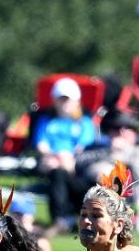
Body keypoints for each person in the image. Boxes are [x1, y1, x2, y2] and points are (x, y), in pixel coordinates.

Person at [34, 77, 96, 230]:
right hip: (52, 161)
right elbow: (41, 144)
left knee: (60, 170)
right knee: (57, 171)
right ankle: (60, 219)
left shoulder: (84, 122)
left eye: (67, 100)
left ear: (76, 101)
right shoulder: (46, 121)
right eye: (61, 99)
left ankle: (65, 217)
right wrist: (52, 156)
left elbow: (84, 146)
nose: (64, 103)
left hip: (76, 163)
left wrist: (66, 158)